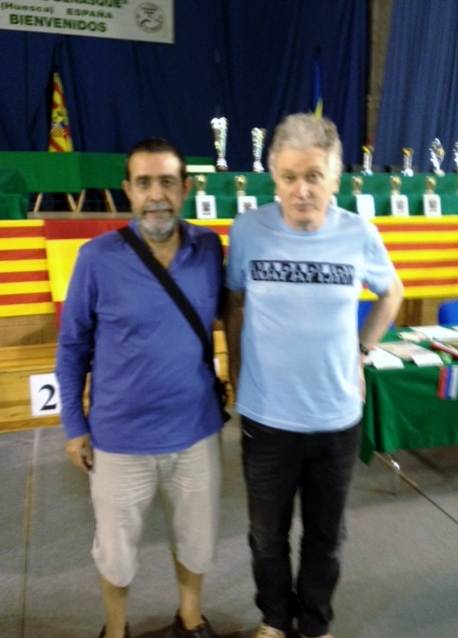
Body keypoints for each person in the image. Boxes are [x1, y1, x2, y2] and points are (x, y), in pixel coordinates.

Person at [224, 114, 403, 638]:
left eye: (313, 176)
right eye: (288, 177)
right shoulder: (247, 230)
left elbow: (391, 293)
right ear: (274, 178)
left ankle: (314, 624)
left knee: (326, 538)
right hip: (266, 419)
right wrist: (236, 371)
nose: (301, 190)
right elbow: (234, 303)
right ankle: (275, 620)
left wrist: (361, 351)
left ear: (335, 179)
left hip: (336, 418)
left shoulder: (359, 233)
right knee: (266, 537)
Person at [56, 138, 225, 638]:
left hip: (196, 432)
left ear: (186, 189)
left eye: (167, 182)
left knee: (197, 541)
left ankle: (190, 618)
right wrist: (73, 425)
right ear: (127, 190)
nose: (156, 195)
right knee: (115, 551)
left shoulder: (209, 249)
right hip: (119, 439)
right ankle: (115, 629)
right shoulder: (96, 258)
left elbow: (237, 314)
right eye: (144, 183)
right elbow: (72, 346)